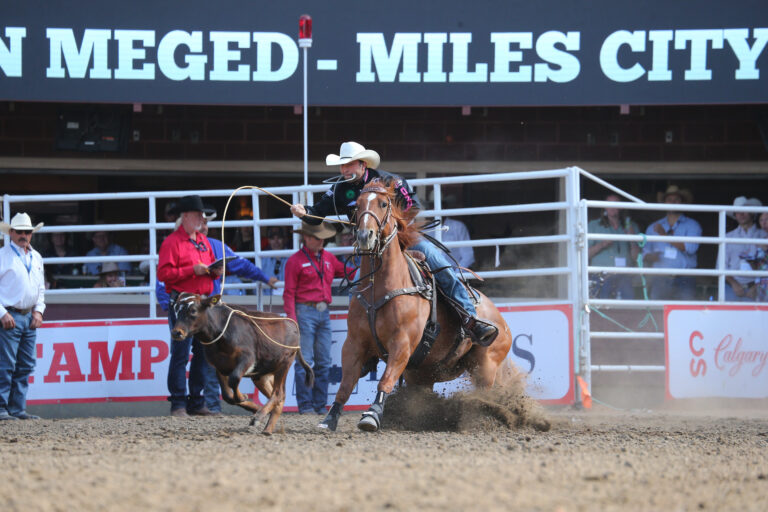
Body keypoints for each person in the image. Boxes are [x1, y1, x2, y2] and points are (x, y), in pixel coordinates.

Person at [289, 141, 498, 346]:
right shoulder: (339, 190)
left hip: (402, 237)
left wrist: (396, 231)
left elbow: (412, 207)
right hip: (369, 247)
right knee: (358, 290)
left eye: (349, 164)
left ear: (363, 164)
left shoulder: (391, 181)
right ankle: (361, 342)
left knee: (439, 263)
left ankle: (470, 318)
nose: (344, 169)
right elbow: (316, 214)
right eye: (342, 165)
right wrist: (303, 212)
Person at [157, 195, 223, 417]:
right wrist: (191, 271)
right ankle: (180, 403)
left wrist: (215, 271)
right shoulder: (172, 242)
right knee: (181, 353)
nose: (201, 218)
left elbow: (207, 267)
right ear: (186, 216)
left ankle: (193, 401)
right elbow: (163, 274)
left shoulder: (202, 241)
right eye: (198, 215)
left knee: (202, 352)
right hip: (183, 302)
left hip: (200, 301)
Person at [283, 221, 351, 415]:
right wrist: (292, 318)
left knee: (322, 361)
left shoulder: (327, 258)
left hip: (320, 311)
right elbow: (289, 293)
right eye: (317, 238)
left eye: (322, 238)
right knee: (307, 360)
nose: (321, 241)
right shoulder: (295, 262)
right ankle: (307, 405)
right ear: (307, 238)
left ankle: (318, 405)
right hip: (305, 311)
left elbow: (347, 271)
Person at [0, 213, 46, 420]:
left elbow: (41, 289)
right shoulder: (2, 255)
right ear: (11, 233)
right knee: (7, 364)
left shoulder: (36, 257)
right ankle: (3, 409)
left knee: (24, 364)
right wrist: (2, 313)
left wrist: (38, 310)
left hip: (27, 316)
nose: (24, 235)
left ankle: (16, 409)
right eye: (20, 231)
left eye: (27, 232)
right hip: (10, 315)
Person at [642, 185, 702, 300]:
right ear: (664, 203)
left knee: (686, 312)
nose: (673, 202)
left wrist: (664, 236)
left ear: (682, 202)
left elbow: (690, 248)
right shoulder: (652, 227)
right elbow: (645, 252)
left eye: (676, 200)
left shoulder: (692, 225)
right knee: (657, 313)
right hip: (660, 278)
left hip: (685, 278)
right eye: (669, 200)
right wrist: (651, 257)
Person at [587, 194, 641, 299]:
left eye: (615, 204)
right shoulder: (593, 225)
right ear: (604, 207)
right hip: (601, 275)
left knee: (627, 307)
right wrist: (602, 244)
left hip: (624, 275)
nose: (612, 207)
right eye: (609, 204)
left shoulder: (631, 226)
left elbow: (636, 258)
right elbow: (584, 255)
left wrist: (632, 239)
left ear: (621, 207)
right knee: (601, 308)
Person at [722, 196, 766, 302]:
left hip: (758, 287)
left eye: (745, 211)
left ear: (752, 213)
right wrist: (734, 284)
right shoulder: (727, 237)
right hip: (732, 287)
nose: (741, 214)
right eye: (738, 211)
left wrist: (756, 286)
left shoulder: (764, 235)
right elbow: (721, 266)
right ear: (735, 215)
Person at [261, 226, 289, 296]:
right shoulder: (263, 259)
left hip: (287, 300)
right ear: (268, 241)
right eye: (272, 238)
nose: (276, 241)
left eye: (279, 238)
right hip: (266, 302)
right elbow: (256, 283)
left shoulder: (292, 257)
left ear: (284, 239)